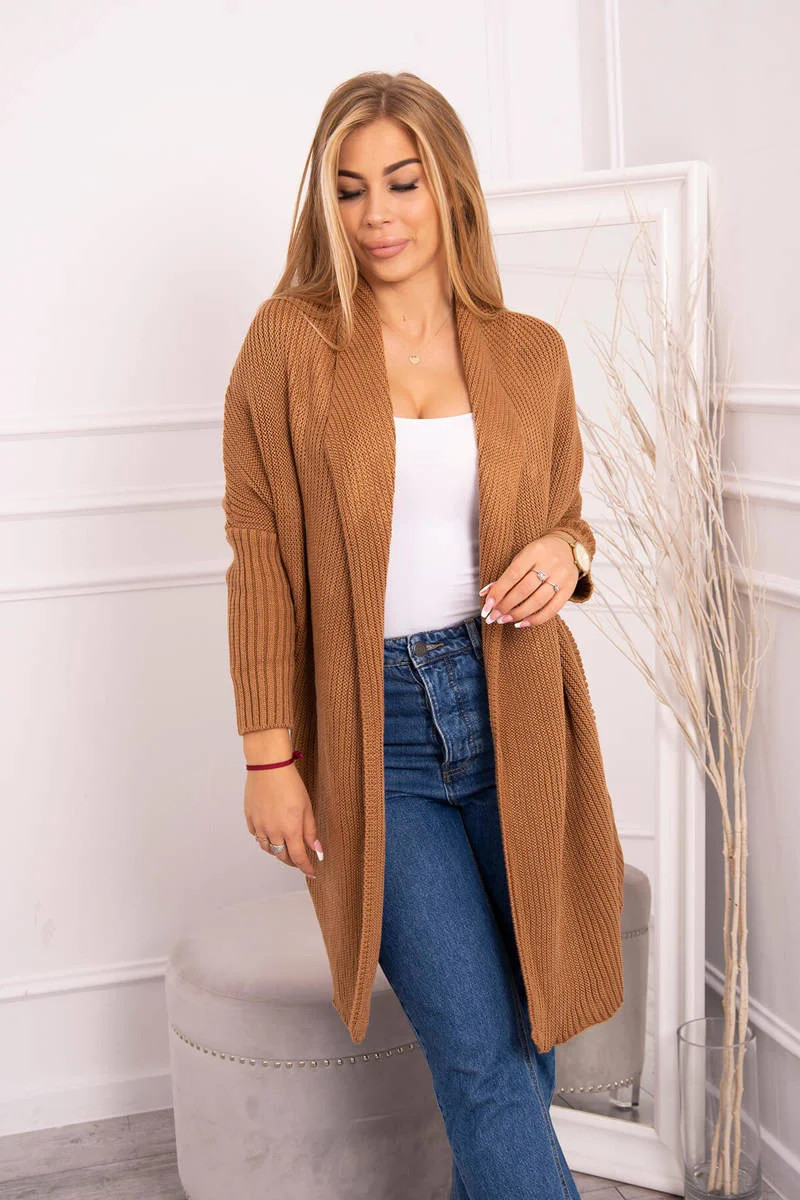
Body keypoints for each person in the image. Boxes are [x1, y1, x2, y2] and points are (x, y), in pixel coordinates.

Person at [222, 70, 625, 1200]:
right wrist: (268, 756)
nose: (377, 215)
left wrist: (568, 555)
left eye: (402, 183)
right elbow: (259, 547)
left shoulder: (530, 352)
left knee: (532, 1036)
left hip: (517, 715)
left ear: (450, 187)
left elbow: (564, 518)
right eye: (350, 190)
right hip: (376, 737)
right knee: (482, 1059)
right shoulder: (292, 342)